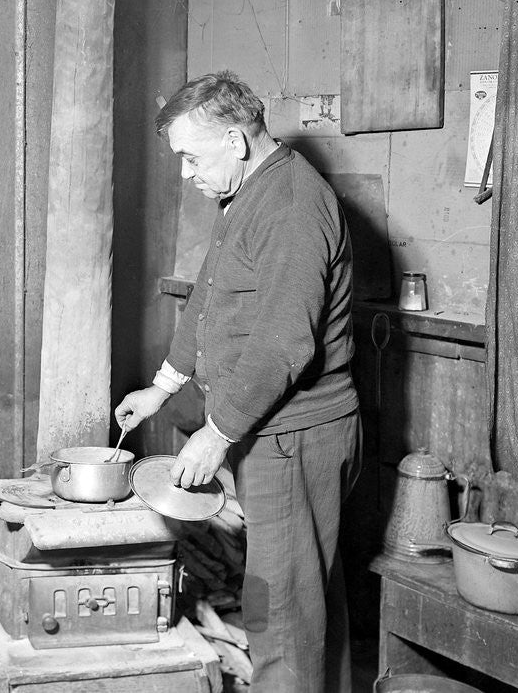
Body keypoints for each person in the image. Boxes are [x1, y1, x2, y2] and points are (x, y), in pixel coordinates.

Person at [115, 71, 361, 693]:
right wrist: (163, 387)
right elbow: (207, 298)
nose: (185, 173)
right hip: (271, 431)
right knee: (299, 602)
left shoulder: (292, 206)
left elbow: (286, 342)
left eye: (191, 157)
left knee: (283, 612)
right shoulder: (248, 195)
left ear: (236, 139)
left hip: (296, 435)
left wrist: (217, 434)